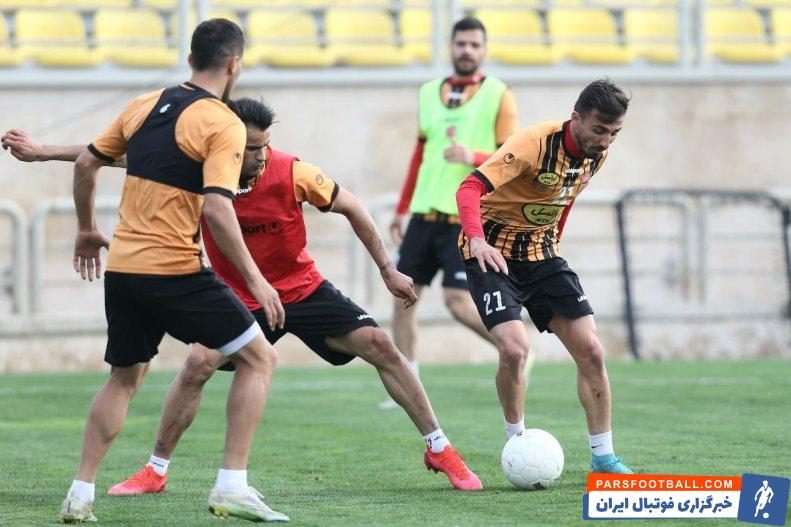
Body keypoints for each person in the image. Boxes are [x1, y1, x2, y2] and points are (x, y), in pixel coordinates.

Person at [2, 99, 483, 493]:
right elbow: (112, 155)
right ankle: (155, 470)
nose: (259, 155)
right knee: (197, 364)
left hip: (302, 289)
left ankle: (439, 447)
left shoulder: (293, 171)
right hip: (239, 295)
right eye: (251, 147)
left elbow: (353, 207)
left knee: (380, 346)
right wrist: (43, 152)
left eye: (264, 145)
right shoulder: (200, 167)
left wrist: (387, 270)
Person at [47, 18, 290, 523]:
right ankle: (231, 485)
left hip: (123, 268)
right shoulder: (223, 122)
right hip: (174, 269)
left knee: (123, 379)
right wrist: (256, 280)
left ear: (190, 59)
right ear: (235, 64)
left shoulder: (142, 104)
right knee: (258, 358)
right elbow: (218, 209)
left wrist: (87, 229)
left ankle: (79, 493)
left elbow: (86, 164)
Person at [454, 79, 635, 473]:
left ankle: (604, 457)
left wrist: (555, 242)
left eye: (614, 133)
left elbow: (563, 201)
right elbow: (468, 188)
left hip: (541, 253)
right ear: (576, 118)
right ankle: (516, 442)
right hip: (492, 251)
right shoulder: (533, 143)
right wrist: (477, 241)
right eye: (599, 129)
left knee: (591, 351)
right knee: (515, 348)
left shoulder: (596, 154)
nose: (606, 141)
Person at [384, 16, 520, 408]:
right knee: (403, 299)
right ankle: (408, 387)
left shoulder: (499, 94)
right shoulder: (428, 92)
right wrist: (402, 207)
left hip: (465, 218)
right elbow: (419, 154)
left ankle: (515, 348)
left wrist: (471, 156)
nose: (467, 50)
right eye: (461, 43)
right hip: (424, 215)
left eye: (475, 45)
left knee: (458, 303)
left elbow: (513, 158)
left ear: (485, 50)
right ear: (451, 47)